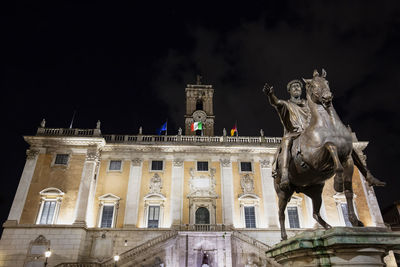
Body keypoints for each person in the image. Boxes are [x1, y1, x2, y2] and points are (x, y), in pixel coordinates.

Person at [263, 80, 385, 189]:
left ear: (302, 90)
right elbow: (276, 102)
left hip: (313, 133)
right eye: (293, 87)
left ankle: (367, 175)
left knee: (345, 145)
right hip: (295, 134)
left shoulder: (309, 104)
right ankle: (284, 174)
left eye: (298, 86)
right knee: (286, 141)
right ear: (289, 91)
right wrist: (270, 95)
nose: (296, 88)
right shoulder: (286, 104)